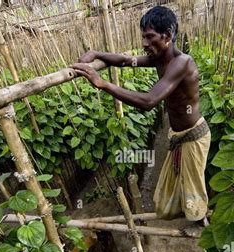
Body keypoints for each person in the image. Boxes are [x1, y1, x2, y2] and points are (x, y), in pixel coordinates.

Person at [71, 5, 210, 226]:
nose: (144, 43)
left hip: (193, 136)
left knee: (193, 184)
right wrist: (96, 54)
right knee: (178, 181)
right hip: (178, 134)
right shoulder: (159, 59)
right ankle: (188, 213)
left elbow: (149, 101)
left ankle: (200, 221)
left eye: (149, 37)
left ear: (168, 35)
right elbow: (126, 61)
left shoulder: (182, 63)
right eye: (143, 37)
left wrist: (102, 83)